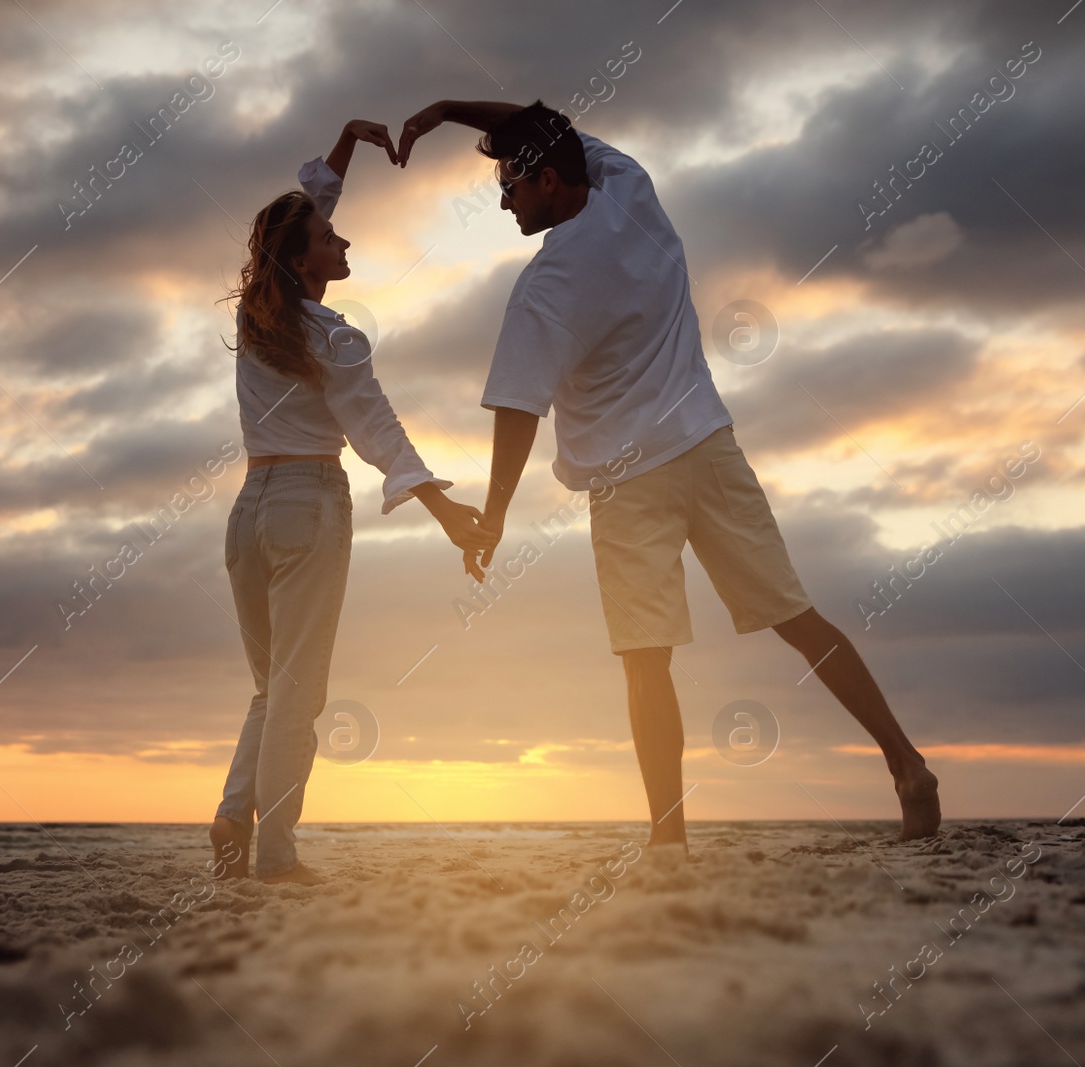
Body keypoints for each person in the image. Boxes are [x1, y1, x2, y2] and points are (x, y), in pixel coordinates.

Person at [395, 100, 941, 850]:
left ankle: (668, 838)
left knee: (645, 661)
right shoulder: (630, 187)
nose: (503, 199)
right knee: (798, 619)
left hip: (629, 485)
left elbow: (518, 410)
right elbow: (543, 117)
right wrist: (450, 111)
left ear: (549, 180)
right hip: (708, 445)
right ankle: (907, 764)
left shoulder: (545, 286)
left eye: (511, 186)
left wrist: (492, 515)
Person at [210, 119, 494, 884]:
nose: (345, 246)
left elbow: (296, 212)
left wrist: (347, 143)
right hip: (308, 503)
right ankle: (276, 854)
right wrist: (446, 512)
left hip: (248, 511)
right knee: (299, 690)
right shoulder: (333, 335)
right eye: (332, 239)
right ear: (303, 260)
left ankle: (236, 814)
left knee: (273, 685)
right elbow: (380, 432)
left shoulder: (256, 314)